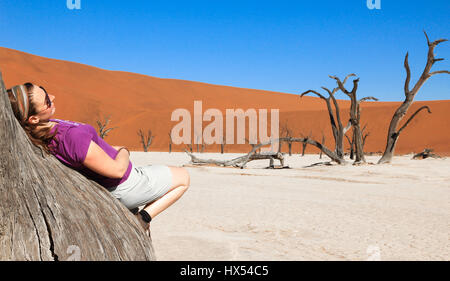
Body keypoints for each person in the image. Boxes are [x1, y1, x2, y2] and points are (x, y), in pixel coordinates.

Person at [7, 82, 190, 233]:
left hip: (122, 181)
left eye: (45, 91)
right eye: (47, 101)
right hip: (125, 185)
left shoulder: (43, 131)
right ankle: (143, 219)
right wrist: (124, 150)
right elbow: (117, 171)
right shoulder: (70, 138)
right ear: (33, 119)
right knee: (184, 178)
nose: (53, 97)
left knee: (160, 172)